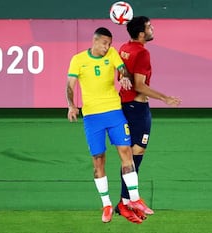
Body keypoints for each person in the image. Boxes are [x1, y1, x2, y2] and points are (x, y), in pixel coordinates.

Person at [66, 27, 152, 224]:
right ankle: (106, 204)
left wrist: (123, 76)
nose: (107, 47)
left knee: (126, 152)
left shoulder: (112, 54)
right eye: (104, 43)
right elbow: (70, 85)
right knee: (98, 160)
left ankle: (135, 199)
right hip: (92, 117)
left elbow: (122, 70)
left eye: (109, 44)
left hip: (114, 112)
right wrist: (71, 105)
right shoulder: (78, 60)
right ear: (95, 41)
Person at [115, 16, 182, 222]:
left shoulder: (124, 47)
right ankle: (127, 200)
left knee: (131, 155)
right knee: (136, 154)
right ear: (142, 34)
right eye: (149, 27)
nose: (153, 29)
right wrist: (165, 98)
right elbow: (140, 85)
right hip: (138, 108)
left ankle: (126, 201)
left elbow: (121, 75)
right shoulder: (142, 52)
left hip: (125, 104)